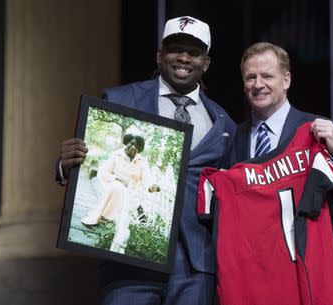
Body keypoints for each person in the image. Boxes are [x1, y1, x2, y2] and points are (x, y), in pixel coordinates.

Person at [57, 16, 236, 305]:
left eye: (193, 53)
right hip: (130, 261)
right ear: (160, 55)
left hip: (194, 266)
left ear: (206, 62)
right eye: (175, 49)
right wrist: (66, 165)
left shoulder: (224, 123)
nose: (183, 58)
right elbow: (88, 162)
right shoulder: (121, 99)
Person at [225, 42, 333, 211]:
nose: (258, 84)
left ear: (286, 80)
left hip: (302, 238)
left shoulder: (318, 133)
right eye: (251, 77)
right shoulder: (234, 137)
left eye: (267, 76)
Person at [81, 134, 150, 227]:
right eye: (132, 144)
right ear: (127, 143)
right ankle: (104, 218)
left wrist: (151, 186)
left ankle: (113, 221)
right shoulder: (117, 155)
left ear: (140, 149)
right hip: (115, 183)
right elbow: (104, 173)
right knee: (116, 187)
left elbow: (147, 178)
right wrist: (116, 178)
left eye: (137, 146)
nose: (133, 147)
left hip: (132, 189)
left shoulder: (142, 161)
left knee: (129, 195)